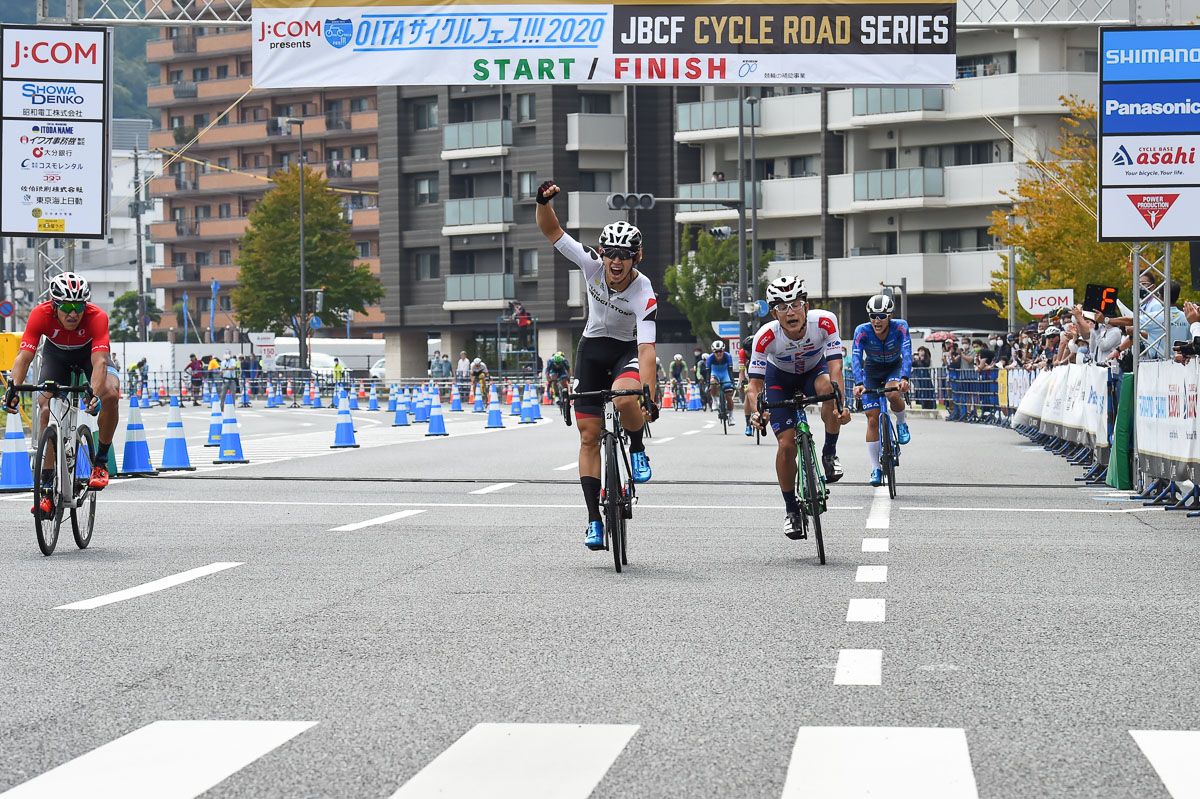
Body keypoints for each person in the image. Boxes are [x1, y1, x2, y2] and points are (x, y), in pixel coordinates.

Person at [535, 179, 659, 551]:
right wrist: (542, 202)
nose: (616, 261)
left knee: (625, 398)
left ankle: (636, 447)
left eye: (625, 255)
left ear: (637, 257)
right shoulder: (591, 265)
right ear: (602, 254)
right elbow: (553, 231)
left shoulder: (644, 292)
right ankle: (593, 520)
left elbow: (648, 349)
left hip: (625, 351)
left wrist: (647, 396)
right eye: (611, 253)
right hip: (591, 350)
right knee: (589, 436)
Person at [745, 275, 851, 539]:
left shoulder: (825, 322)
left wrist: (840, 403)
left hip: (813, 373)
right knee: (787, 445)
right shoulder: (765, 337)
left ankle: (829, 453)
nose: (790, 311)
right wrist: (758, 411)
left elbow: (836, 366)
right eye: (781, 306)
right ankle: (791, 509)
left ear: (806, 305)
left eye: (795, 304)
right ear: (773, 313)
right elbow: (754, 386)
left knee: (829, 387)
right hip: (779, 378)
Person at [3, 273, 120, 500]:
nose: (73, 313)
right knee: (45, 406)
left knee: (112, 393)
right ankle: (46, 484)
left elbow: (100, 362)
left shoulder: (97, 317)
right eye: (67, 306)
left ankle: (101, 462)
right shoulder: (40, 314)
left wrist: (94, 394)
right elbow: (23, 358)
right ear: (54, 305)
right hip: (56, 356)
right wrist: (13, 389)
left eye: (79, 306)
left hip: (89, 355)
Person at [851, 294, 913, 487]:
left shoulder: (900, 326)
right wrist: (859, 382)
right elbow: (855, 357)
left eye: (881, 316)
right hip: (872, 370)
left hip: (894, 367)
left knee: (892, 393)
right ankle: (875, 468)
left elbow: (907, 351)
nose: (877, 320)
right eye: (873, 316)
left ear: (890, 316)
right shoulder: (862, 330)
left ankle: (901, 423)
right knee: (871, 417)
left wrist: (904, 378)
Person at [706, 340, 737, 421]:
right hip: (715, 374)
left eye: (720, 351)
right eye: (716, 352)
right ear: (713, 352)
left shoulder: (728, 356)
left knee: (729, 397)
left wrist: (733, 383)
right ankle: (715, 400)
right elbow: (708, 373)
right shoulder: (710, 358)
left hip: (725, 375)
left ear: (723, 351)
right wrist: (708, 384)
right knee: (713, 382)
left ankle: (731, 416)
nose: (719, 353)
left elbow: (730, 371)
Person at [737, 334, 755, 435]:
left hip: (760, 369)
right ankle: (748, 424)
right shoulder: (742, 353)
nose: (748, 354)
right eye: (747, 352)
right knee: (748, 393)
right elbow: (742, 372)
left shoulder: (761, 351)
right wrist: (743, 383)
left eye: (750, 351)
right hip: (749, 371)